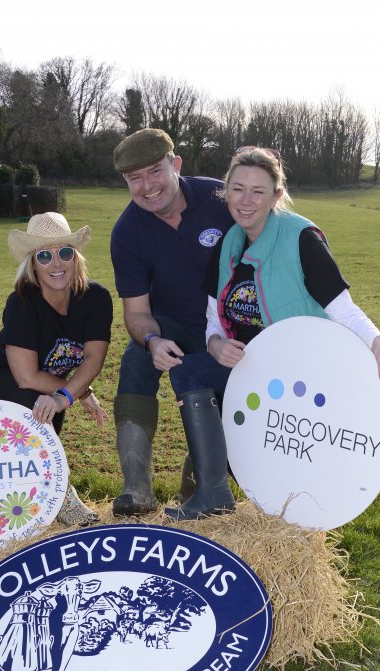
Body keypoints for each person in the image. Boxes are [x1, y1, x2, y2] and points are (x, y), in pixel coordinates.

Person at [166, 146, 380, 520]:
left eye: (258, 191)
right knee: (188, 371)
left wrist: (378, 341)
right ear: (226, 190)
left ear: (277, 195)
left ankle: (241, 490)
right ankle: (212, 494)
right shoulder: (228, 243)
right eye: (238, 189)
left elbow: (342, 310)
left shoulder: (301, 238)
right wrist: (216, 344)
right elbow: (212, 318)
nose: (246, 201)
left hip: (298, 374)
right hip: (251, 366)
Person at [110, 128, 234, 515]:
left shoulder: (220, 198)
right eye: (135, 178)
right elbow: (137, 313)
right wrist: (152, 342)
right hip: (173, 325)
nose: (147, 186)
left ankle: (197, 491)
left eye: (154, 172)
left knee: (232, 401)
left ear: (175, 165)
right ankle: (136, 490)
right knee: (135, 360)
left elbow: (272, 227)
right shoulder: (127, 232)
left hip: (235, 325)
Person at [0, 212, 113, 527]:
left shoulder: (97, 299)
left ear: (75, 258)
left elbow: (93, 359)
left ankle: (34, 497)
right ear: (33, 264)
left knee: (47, 420)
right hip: (2, 373)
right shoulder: (22, 302)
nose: (56, 263)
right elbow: (25, 377)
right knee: (35, 412)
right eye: (44, 255)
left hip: (49, 380)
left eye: (64, 252)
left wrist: (71, 393)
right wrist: (69, 394)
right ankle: (63, 498)